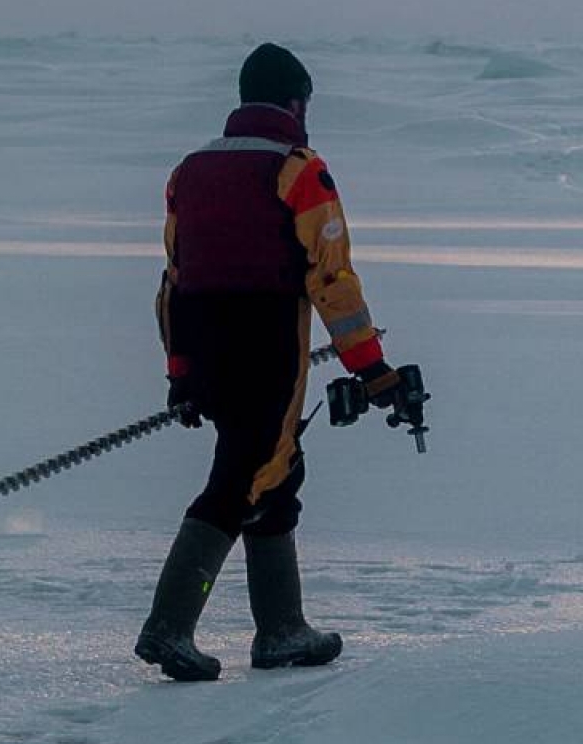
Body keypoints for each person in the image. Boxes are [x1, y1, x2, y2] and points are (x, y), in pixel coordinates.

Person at [135, 42, 409, 682]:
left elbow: (173, 279)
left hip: (203, 339)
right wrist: (371, 368)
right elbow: (332, 280)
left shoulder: (188, 172)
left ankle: (282, 630)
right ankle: (170, 625)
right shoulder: (299, 171)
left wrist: (181, 371)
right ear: (296, 103)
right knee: (244, 479)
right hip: (267, 342)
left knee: (278, 470)